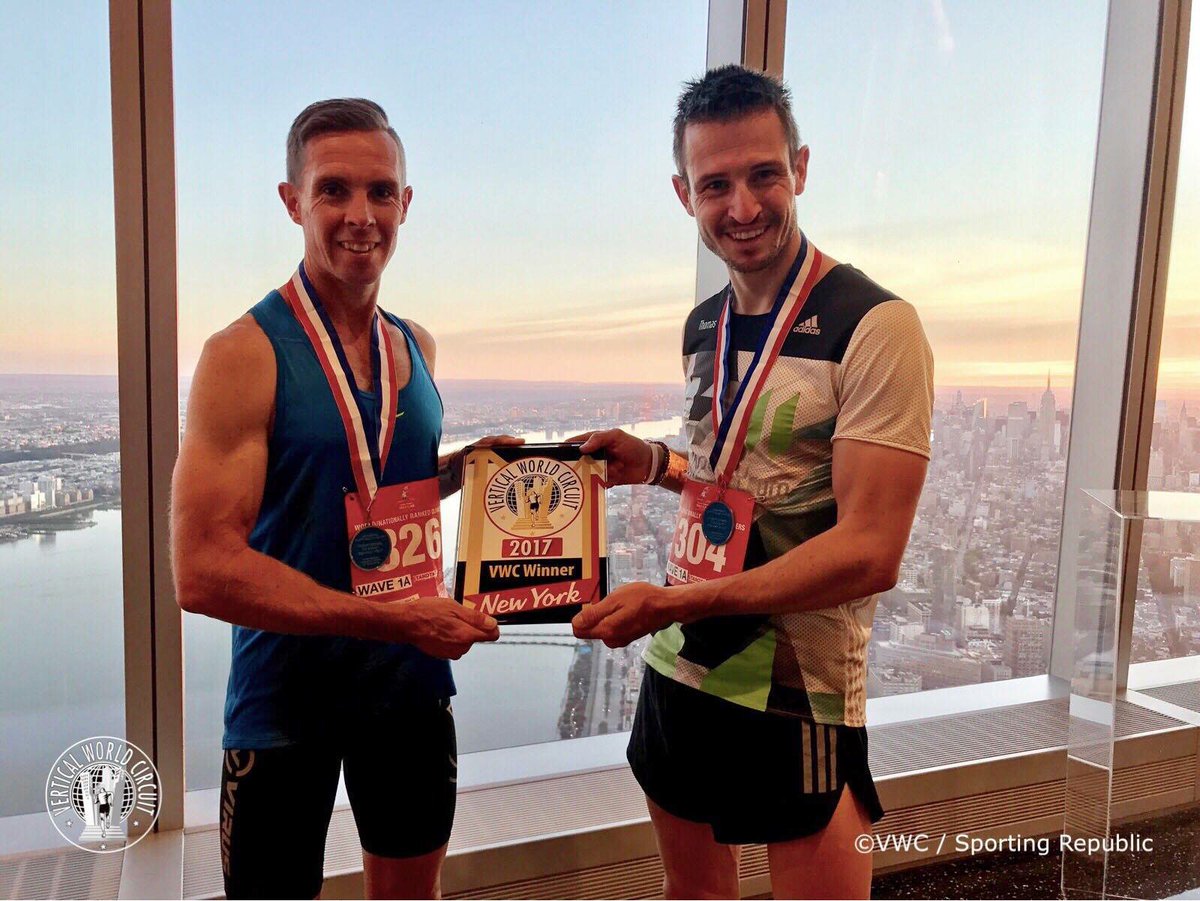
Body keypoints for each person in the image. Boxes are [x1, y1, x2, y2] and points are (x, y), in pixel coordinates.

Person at [572, 65, 934, 900]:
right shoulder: (707, 323)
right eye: (715, 184)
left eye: (764, 174)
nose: (742, 207)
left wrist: (671, 603)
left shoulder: (875, 326)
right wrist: (657, 465)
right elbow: (736, 483)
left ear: (800, 168)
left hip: (795, 689)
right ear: (682, 192)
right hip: (685, 664)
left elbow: (870, 554)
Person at [171, 98, 515, 900]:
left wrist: (479, 468)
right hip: (286, 698)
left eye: (380, 192)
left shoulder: (414, 346)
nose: (361, 216)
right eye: (334, 191)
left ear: (406, 203)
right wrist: (391, 618)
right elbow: (202, 570)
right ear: (293, 201)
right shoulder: (241, 356)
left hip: (408, 687)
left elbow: (380, 491)